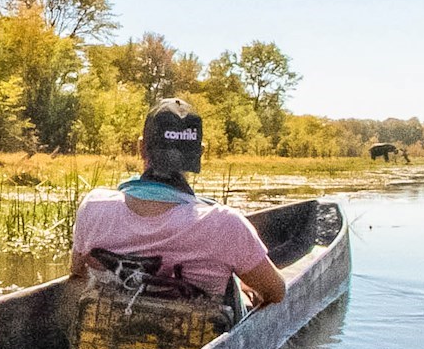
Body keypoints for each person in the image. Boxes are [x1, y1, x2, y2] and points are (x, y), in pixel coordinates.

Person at [66, 99, 287, 309]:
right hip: (190, 340)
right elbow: (276, 292)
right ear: (200, 153)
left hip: (103, 342)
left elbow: (77, 272)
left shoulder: (93, 207)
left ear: (141, 148)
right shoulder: (226, 224)